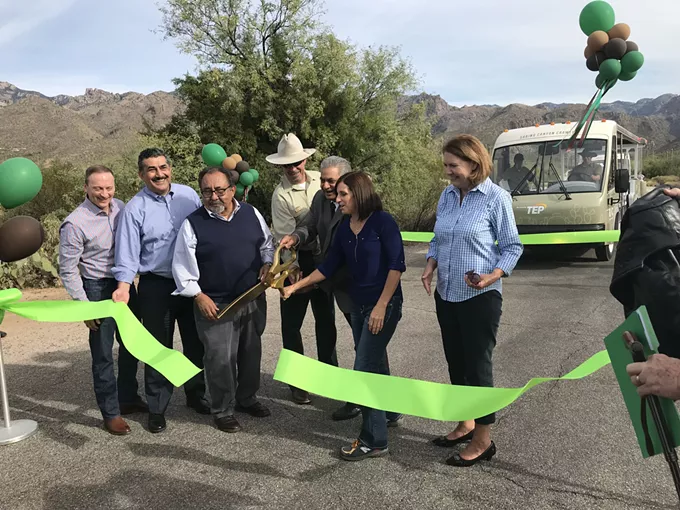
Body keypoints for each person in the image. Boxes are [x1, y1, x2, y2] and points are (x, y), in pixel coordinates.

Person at [281, 171, 406, 461]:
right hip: (358, 306)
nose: (337, 199)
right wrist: (296, 287)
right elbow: (328, 267)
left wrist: (381, 306)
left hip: (383, 307)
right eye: (337, 194)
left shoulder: (383, 223)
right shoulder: (346, 228)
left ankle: (374, 440)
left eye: (343, 194)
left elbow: (396, 267)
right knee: (372, 362)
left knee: (364, 368)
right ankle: (388, 411)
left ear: (359, 194)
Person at [421, 134, 523, 467]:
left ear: (474, 164)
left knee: (478, 367)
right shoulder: (447, 196)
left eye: (453, 166)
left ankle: (483, 439)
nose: (448, 172)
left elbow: (512, 248)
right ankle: (465, 423)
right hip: (447, 292)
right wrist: (429, 265)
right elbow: (438, 238)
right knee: (456, 361)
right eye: (446, 165)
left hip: (480, 298)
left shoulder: (496, 198)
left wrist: (493, 276)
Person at [112, 148, 208, 434]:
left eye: (163, 166)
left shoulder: (189, 195)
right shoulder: (134, 209)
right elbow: (127, 254)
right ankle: (157, 407)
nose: (159, 173)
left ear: (170, 168)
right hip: (157, 285)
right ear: (141, 174)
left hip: (191, 282)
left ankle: (196, 394)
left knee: (195, 343)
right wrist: (123, 287)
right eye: (151, 169)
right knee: (158, 349)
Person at [171, 167, 274, 433]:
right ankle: (222, 409)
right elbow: (182, 265)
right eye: (207, 191)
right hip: (216, 303)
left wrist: (266, 263)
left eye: (219, 190)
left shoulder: (251, 213)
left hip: (251, 297)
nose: (213, 196)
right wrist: (198, 295)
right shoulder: (192, 224)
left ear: (232, 190)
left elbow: (266, 244)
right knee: (220, 358)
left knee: (251, 353)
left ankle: (247, 398)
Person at [58, 165, 146, 435]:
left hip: (124, 285)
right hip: (96, 289)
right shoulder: (75, 223)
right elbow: (68, 269)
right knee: (103, 355)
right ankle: (111, 413)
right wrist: (84, 307)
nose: (104, 193)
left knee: (132, 345)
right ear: (86, 188)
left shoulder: (120, 207)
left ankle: (128, 397)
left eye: (108, 187)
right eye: (97, 188)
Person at [280, 156, 360, 422]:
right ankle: (363, 402)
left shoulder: (359, 204)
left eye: (331, 180)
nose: (325, 185)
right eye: (323, 179)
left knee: (366, 346)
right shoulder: (319, 200)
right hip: (328, 278)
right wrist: (296, 236)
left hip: (356, 286)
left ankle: (379, 405)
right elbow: (310, 225)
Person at [267, 133, 339, 405]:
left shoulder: (322, 181)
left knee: (326, 320)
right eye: (288, 164)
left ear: (305, 159)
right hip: (298, 260)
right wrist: (293, 269)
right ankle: (297, 381)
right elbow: (287, 235)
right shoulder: (280, 195)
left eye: (297, 162)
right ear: (281, 167)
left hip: (326, 260)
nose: (293, 167)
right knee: (291, 323)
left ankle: (330, 376)